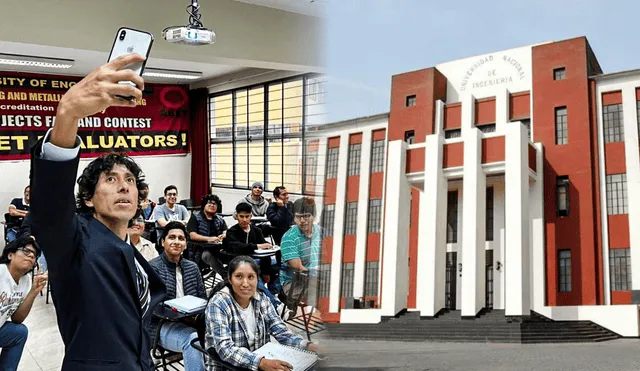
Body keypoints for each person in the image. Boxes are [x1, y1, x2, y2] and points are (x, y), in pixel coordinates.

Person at [28, 53, 166, 371]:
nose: (123, 187)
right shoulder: (74, 240)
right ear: (88, 199)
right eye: (111, 179)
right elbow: (49, 209)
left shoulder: (133, 252)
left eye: (130, 180)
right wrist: (67, 115)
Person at [205, 255, 320, 371]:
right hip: (229, 367)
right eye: (239, 277)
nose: (245, 283)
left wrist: (308, 346)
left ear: (257, 279)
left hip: (259, 364)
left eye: (251, 277)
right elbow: (225, 349)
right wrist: (260, 362)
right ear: (230, 279)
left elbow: (281, 331)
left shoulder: (262, 299)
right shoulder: (219, 303)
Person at [148, 221, 206, 371]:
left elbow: (203, 299)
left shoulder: (193, 267)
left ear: (186, 244)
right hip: (161, 326)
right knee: (193, 340)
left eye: (181, 238)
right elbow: (150, 307)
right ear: (162, 242)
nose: (176, 242)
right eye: (171, 237)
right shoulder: (152, 267)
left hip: (192, 322)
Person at [0, 236, 47, 370]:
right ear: (10, 254)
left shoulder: (25, 281)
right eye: (26, 251)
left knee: (19, 332)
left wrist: (33, 291)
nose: (31, 256)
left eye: (34, 255)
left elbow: (17, 319)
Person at [280, 198, 323, 311]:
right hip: (295, 283)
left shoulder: (322, 232)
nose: (302, 220)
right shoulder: (289, 238)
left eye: (307, 216)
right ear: (294, 217)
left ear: (314, 216)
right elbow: (300, 268)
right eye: (298, 217)